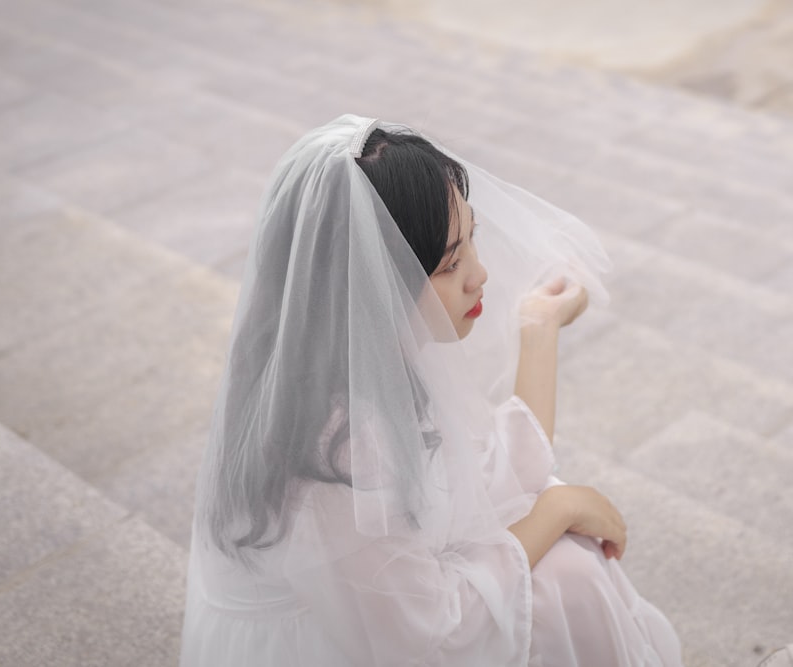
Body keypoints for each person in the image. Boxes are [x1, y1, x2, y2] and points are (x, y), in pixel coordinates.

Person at [180, 114, 683, 666]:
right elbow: (430, 638)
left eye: (472, 240)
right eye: (448, 264)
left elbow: (482, 476)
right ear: (366, 285)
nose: (479, 275)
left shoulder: (351, 368)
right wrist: (559, 509)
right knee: (570, 570)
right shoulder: (336, 447)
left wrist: (539, 328)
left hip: (384, 616)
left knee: (559, 550)